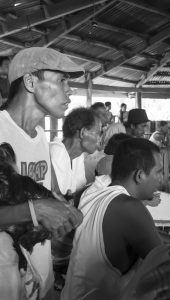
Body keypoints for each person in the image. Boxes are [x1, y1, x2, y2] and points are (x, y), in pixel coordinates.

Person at [0, 47, 84, 300]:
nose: (69, 90)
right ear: (31, 81)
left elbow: (49, 198)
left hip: (39, 278)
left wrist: (64, 211)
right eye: (62, 80)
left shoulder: (42, 136)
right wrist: (37, 210)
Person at [61, 138, 163, 300]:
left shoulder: (92, 192)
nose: (161, 179)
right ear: (139, 176)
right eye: (158, 172)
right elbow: (165, 263)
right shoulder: (129, 208)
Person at [50, 107, 102, 291]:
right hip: (50, 230)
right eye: (98, 132)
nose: (100, 138)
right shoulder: (55, 152)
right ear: (83, 132)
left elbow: (78, 192)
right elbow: (54, 198)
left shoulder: (78, 157)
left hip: (64, 229)